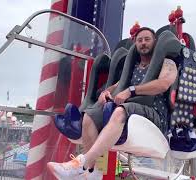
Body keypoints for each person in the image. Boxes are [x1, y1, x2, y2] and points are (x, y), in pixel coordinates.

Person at [47, 27, 178, 179]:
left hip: (153, 114)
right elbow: (115, 86)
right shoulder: (133, 68)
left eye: (147, 39)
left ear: (155, 42)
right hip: (131, 110)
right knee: (90, 115)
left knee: (120, 111)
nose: (143, 43)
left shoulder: (167, 64)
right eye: (140, 40)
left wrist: (131, 90)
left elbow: (163, 84)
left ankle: (81, 164)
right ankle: (92, 172)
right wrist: (105, 93)